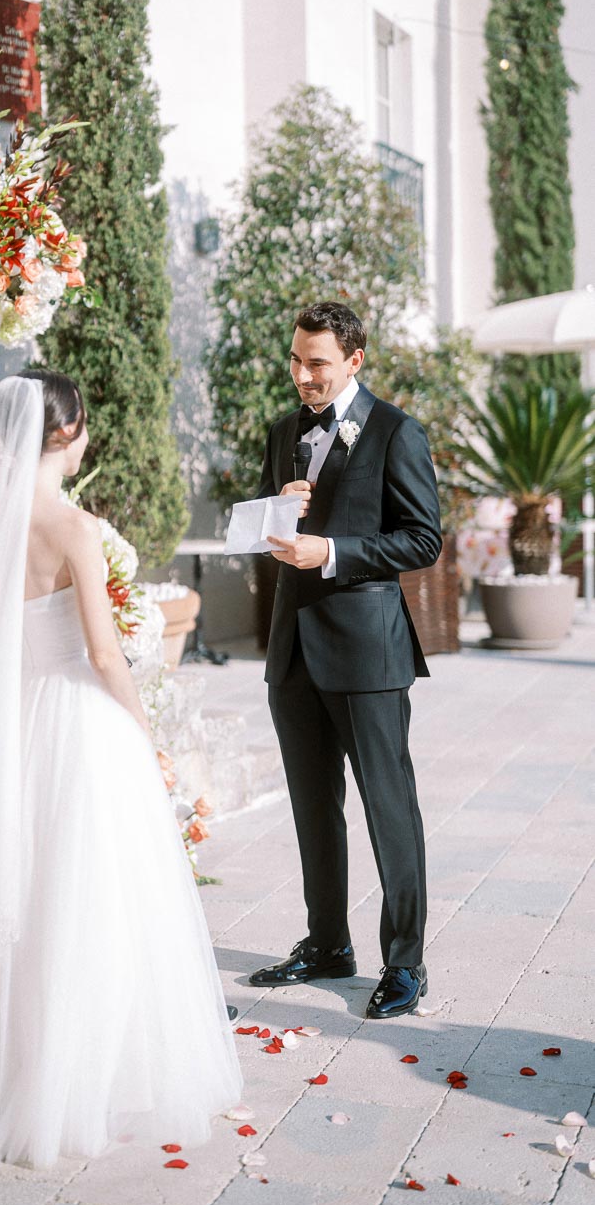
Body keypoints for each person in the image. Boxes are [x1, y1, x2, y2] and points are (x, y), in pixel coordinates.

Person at [0, 370, 241, 1168]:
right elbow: (105, 654)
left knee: (19, 893)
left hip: (18, 717)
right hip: (77, 718)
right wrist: (144, 729)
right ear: (64, 432)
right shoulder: (77, 527)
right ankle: (86, 1070)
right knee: (89, 897)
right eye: (84, 423)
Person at [247, 302, 441, 1019]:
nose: (302, 375)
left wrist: (331, 551)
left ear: (355, 360)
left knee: (390, 811)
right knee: (312, 809)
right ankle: (328, 944)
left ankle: (407, 962)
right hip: (292, 648)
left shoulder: (396, 432)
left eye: (317, 362)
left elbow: (422, 540)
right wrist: (276, 512)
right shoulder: (281, 432)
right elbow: (272, 532)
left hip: (367, 654)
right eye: (295, 360)